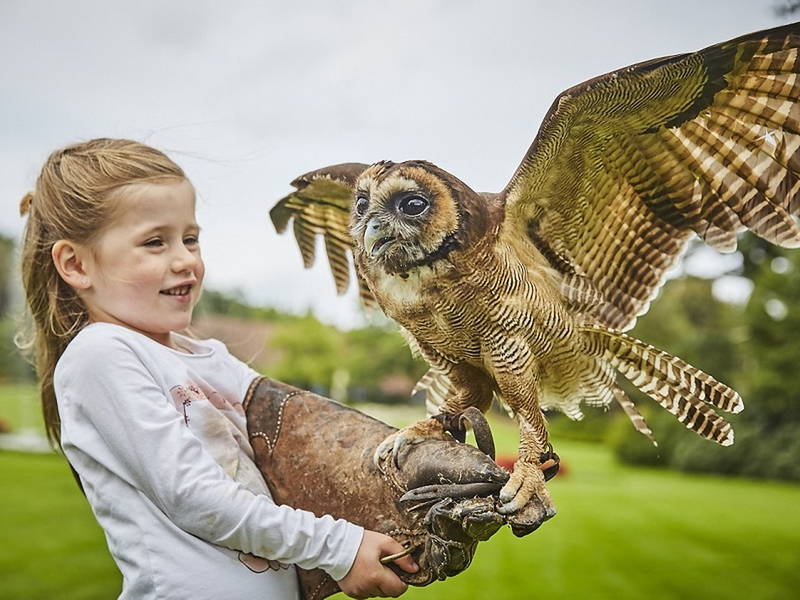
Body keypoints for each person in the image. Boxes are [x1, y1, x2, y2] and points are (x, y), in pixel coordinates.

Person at [17, 138, 418, 600]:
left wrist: (403, 462)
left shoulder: (204, 356)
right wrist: (339, 547)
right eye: (154, 242)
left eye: (190, 239)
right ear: (75, 264)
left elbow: (305, 430)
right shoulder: (101, 354)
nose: (186, 259)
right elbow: (195, 498)